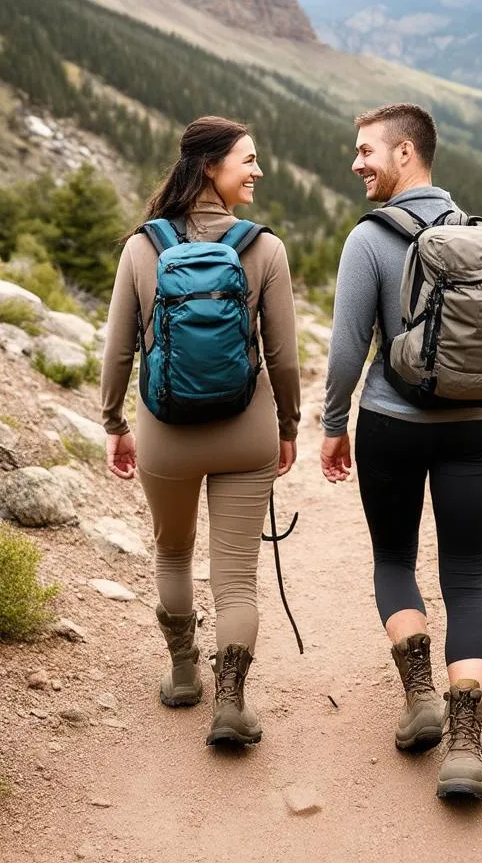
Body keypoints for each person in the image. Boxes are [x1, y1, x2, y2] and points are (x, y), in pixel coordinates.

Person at [319, 103, 482, 800]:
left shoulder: (371, 238)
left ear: (406, 152)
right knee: (469, 583)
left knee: (393, 561)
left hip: (391, 422)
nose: (357, 164)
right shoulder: (481, 236)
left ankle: (420, 701)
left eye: (366, 152)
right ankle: (466, 747)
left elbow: (350, 345)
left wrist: (331, 422)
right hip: (476, 425)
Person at [101, 116, 300, 747]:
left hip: (166, 430)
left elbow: (118, 351)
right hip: (248, 433)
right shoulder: (264, 248)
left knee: (173, 552)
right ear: (210, 166)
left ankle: (185, 675)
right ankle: (233, 705)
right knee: (237, 575)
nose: (258, 169)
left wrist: (114, 423)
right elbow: (284, 357)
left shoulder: (142, 247)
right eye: (248, 159)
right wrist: (288, 426)